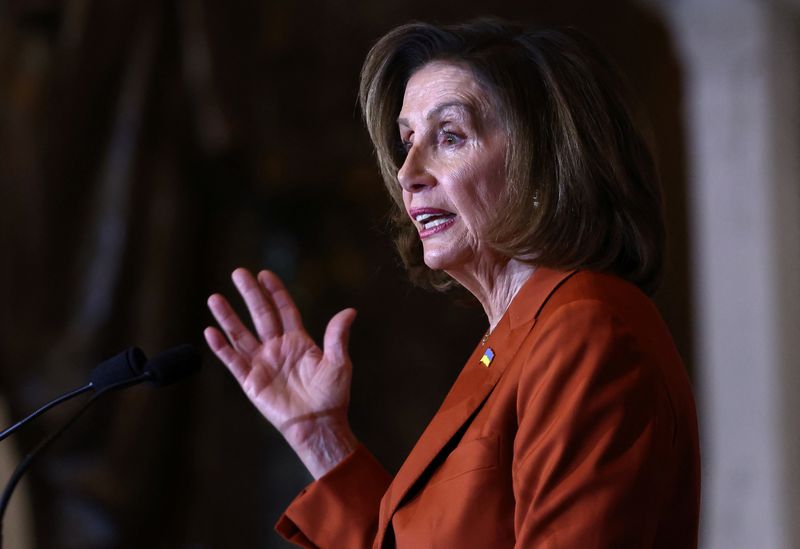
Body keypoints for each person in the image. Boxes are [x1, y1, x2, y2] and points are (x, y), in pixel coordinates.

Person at [204, 19, 700, 548]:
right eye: (408, 140)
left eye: (450, 136)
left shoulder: (585, 332)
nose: (407, 172)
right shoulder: (519, 338)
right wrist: (320, 437)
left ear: (545, 162)